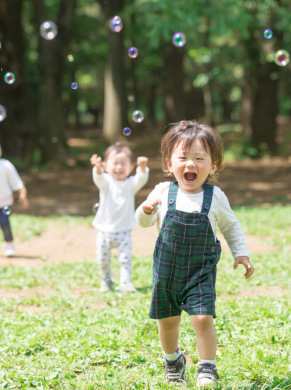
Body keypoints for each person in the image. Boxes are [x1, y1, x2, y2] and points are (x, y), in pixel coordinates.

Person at [135, 121, 254, 388]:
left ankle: (208, 367)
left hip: (200, 271)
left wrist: (241, 253)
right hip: (167, 270)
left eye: (200, 158)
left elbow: (231, 226)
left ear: (213, 165)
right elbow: (142, 223)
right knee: (167, 320)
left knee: (202, 318)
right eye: (183, 157)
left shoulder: (215, 196)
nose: (191, 164)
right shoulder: (163, 192)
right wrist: (144, 209)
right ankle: (173, 361)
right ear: (169, 163)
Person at [91, 142, 149, 293]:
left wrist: (142, 167)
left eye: (123, 164)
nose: (118, 167)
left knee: (125, 259)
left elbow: (141, 179)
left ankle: (125, 283)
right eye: (115, 163)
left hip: (124, 230)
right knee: (103, 260)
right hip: (104, 230)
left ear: (131, 167)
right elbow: (98, 178)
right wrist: (97, 168)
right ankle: (106, 281)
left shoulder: (130, 184)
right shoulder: (106, 182)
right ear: (105, 166)